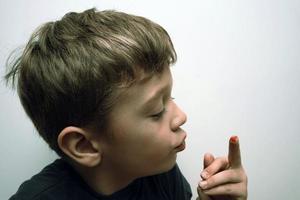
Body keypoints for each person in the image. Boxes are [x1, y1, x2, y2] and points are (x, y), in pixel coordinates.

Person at [5, 8, 247, 200]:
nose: (181, 116)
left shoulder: (159, 175)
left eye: (170, 98)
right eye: (156, 111)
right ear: (84, 145)